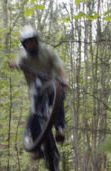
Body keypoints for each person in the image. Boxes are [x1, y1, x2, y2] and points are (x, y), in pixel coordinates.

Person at [9, 25, 69, 159]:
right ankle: (37, 149)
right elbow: (17, 61)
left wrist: (64, 80)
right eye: (27, 43)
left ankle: (59, 129)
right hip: (35, 87)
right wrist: (14, 64)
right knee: (34, 115)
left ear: (36, 40)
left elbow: (60, 69)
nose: (30, 44)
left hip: (50, 83)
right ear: (24, 45)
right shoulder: (23, 56)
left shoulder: (48, 52)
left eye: (32, 41)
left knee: (59, 95)